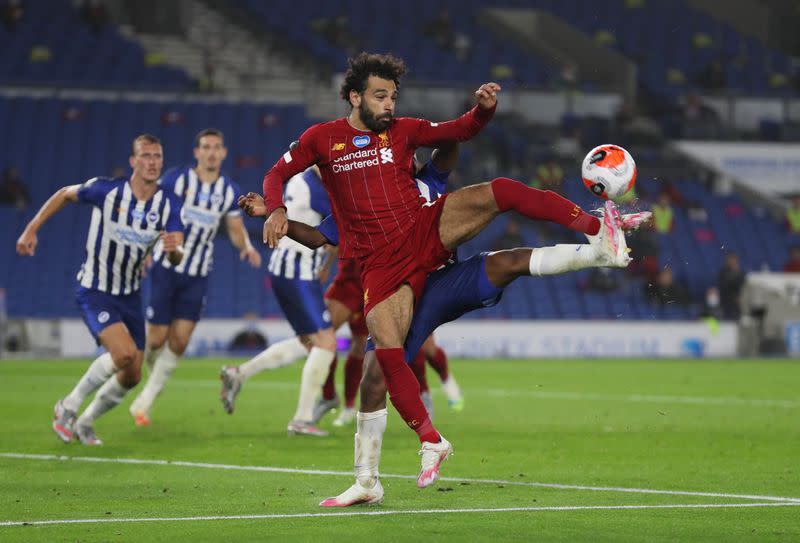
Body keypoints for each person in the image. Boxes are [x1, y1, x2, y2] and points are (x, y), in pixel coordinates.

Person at [260, 52, 618, 490]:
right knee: (381, 365)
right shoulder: (322, 142)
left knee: (500, 194)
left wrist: (482, 111)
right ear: (355, 96)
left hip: (425, 235)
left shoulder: (408, 138)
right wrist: (275, 209)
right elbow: (281, 180)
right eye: (380, 96)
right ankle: (395, 462)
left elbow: (455, 134)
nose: (389, 104)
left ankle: (598, 230)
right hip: (384, 268)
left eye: (393, 96)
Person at [242, 189, 642, 506]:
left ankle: (599, 251)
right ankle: (367, 482)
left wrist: (479, 113)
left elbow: (450, 148)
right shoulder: (359, 203)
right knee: (373, 378)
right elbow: (316, 236)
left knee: (508, 262)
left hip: (445, 280)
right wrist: (272, 215)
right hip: (402, 294)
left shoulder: (423, 174)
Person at [15, 134, 184, 445]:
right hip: (96, 289)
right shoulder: (106, 190)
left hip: (130, 295)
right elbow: (66, 194)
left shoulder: (168, 202)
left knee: (133, 375)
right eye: (145, 156)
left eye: (157, 156)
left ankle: (86, 421)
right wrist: (32, 227)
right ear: (134, 161)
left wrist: (173, 250)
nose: (152, 162)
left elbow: (176, 250)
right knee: (123, 354)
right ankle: (68, 406)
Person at [128, 129, 261, 426]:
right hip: (166, 267)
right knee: (156, 339)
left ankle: (144, 402)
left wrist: (247, 247)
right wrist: (145, 249)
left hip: (197, 273)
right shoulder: (176, 179)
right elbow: (153, 210)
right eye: (206, 147)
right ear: (196, 152)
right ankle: (150, 379)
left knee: (179, 340)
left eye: (216, 147)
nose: (211, 152)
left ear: (223, 153)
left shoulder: (228, 190)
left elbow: (235, 230)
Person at [718, 252, 745, 320]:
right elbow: (725, 287)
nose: (732, 261)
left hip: (739, 302)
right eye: (730, 259)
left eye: (733, 259)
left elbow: (743, 285)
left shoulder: (741, 273)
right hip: (728, 302)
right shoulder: (723, 273)